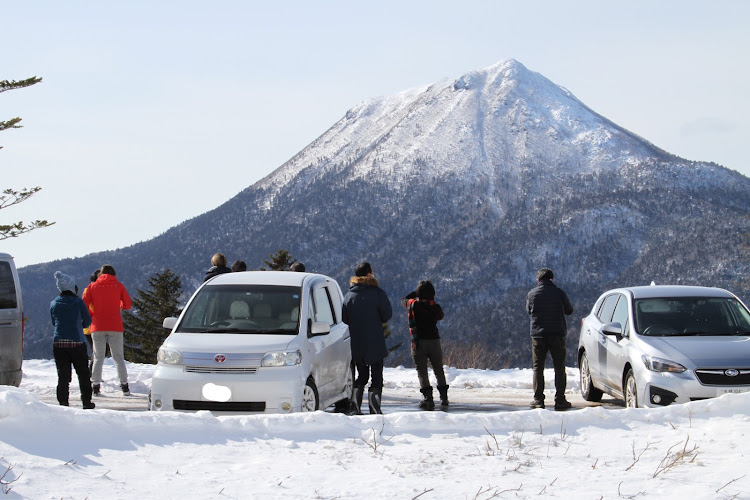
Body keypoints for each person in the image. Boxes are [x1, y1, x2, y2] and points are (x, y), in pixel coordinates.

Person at [342, 262, 392, 414]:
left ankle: (355, 406)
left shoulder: (349, 295)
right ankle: (374, 408)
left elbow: (344, 318)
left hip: (357, 342)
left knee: (361, 376)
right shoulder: (377, 293)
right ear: (369, 274)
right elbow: (387, 314)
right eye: (372, 271)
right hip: (375, 341)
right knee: (376, 377)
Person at [526, 268, 574, 410]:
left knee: (538, 367)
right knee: (559, 367)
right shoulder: (560, 293)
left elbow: (529, 311)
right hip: (557, 334)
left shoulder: (531, 294)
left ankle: (538, 399)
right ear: (552, 279)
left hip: (538, 335)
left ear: (538, 280)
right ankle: (560, 400)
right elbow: (569, 311)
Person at [83, 264, 132, 396]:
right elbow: (128, 305)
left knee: (98, 357)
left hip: (97, 326)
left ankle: (95, 386)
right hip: (115, 325)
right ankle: (124, 386)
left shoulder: (92, 287)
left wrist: (92, 315)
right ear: (113, 274)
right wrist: (119, 305)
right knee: (118, 357)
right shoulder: (118, 286)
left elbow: (84, 304)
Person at [50, 271, 95, 409]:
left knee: (63, 375)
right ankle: (86, 402)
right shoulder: (78, 302)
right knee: (83, 374)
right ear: (71, 287)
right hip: (77, 342)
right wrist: (79, 325)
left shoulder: (54, 303)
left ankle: (63, 402)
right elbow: (87, 321)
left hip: (59, 343)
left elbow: (54, 322)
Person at [401, 280, 448, 409]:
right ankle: (444, 398)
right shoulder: (435, 308)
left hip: (419, 342)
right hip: (434, 341)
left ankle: (428, 399)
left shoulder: (413, 306)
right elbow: (441, 316)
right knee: (438, 369)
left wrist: (416, 293)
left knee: (422, 371)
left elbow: (404, 299)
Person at [81, 269, 100, 373]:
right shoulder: (89, 291)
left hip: (94, 326)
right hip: (91, 326)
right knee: (98, 351)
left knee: (98, 351)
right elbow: (87, 307)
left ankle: (92, 372)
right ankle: (91, 373)